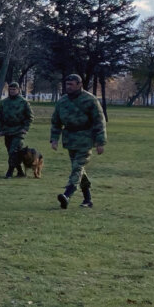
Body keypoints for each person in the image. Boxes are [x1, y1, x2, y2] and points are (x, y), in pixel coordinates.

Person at [50, 74, 106, 209]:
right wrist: (54, 139)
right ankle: (88, 199)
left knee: (77, 167)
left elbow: (99, 121)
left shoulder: (90, 100)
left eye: (71, 84)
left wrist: (100, 142)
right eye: (67, 84)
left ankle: (67, 194)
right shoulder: (62, 101)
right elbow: (56, 122)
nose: (68, 87)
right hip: (70, 139)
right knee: (79, 169)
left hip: (86, 138)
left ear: (79, 84)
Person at [0, 81, 34, 178]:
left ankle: (10, 172)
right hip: (7, 131)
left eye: (14, 89)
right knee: (11, 152)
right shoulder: (4, 102)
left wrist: (25, 128)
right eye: (10, 89)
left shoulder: (23, 102)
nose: (12, 91)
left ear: (18, 90)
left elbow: (30, 117)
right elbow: (0, 117)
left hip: (19, 131)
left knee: (13, 151)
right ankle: (20, 172)